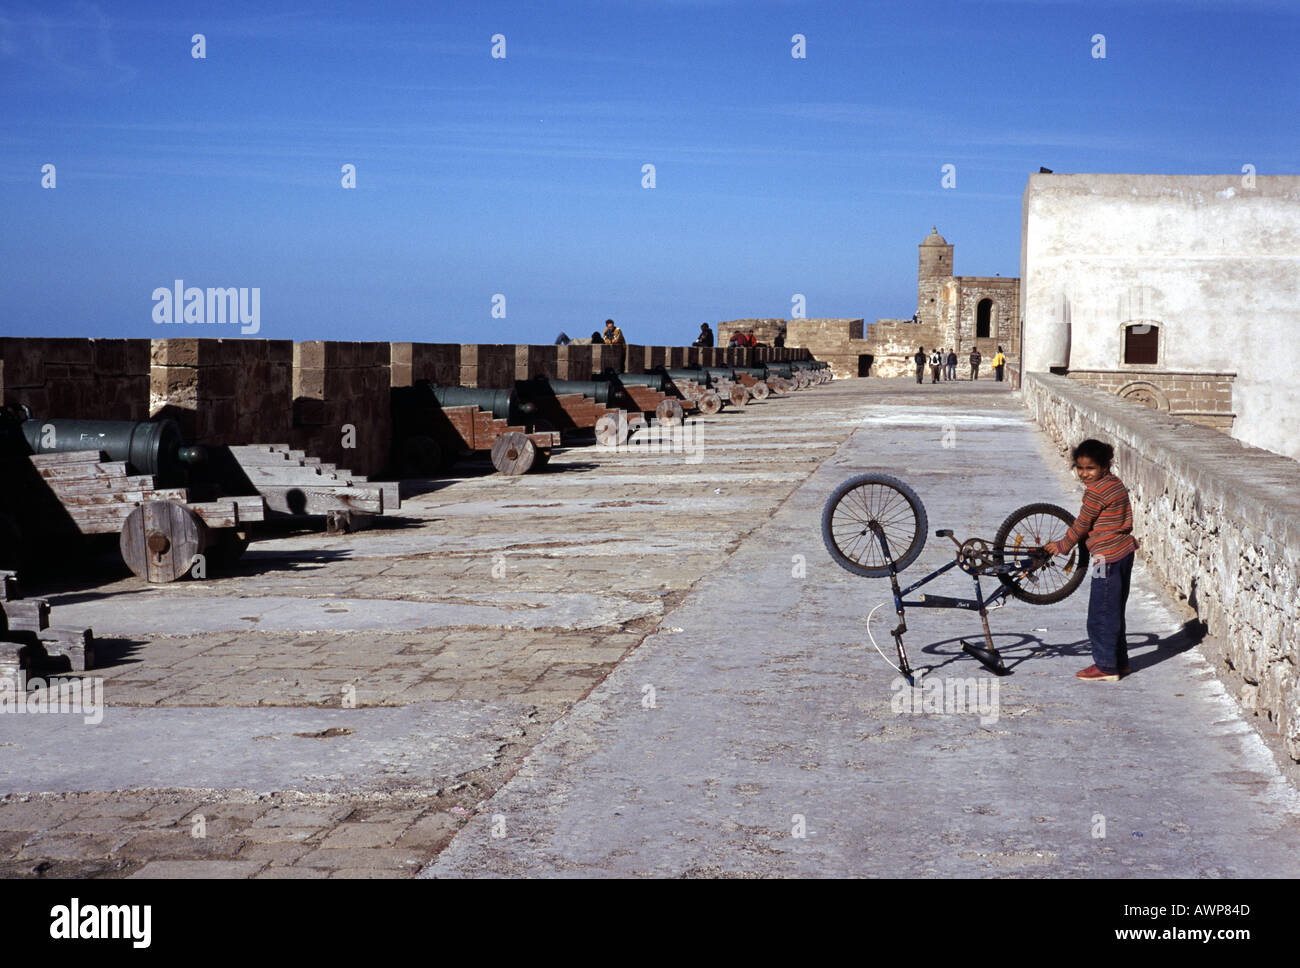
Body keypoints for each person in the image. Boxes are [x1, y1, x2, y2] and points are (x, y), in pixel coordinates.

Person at [1043, 439, 1137, 681]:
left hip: (1105, 558)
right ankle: (1120, 662)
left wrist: (1062, 546)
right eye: (1080, 468)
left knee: (1100, 614)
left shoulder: (1096, 492)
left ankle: (1106, 666)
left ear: (1105, 466)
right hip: (1124, 553)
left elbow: (1082, 523)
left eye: (1090, 468)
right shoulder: (1115, 483)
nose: (1084, 474)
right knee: (1115, 611)